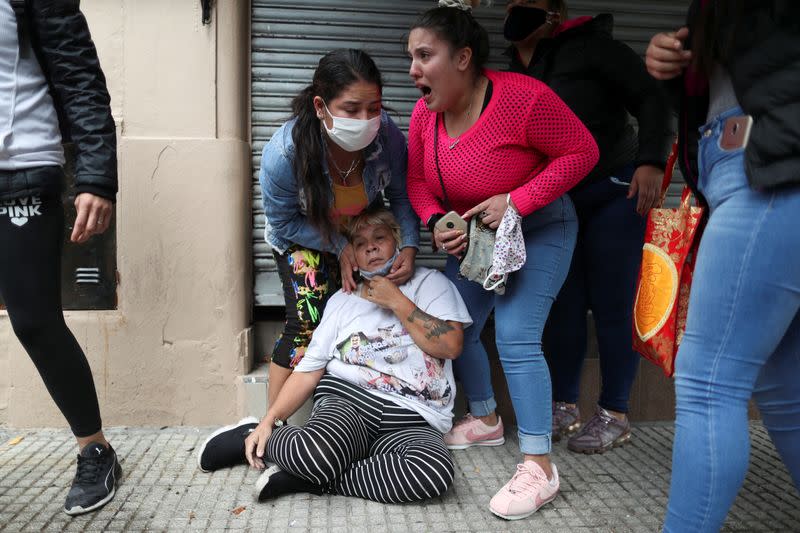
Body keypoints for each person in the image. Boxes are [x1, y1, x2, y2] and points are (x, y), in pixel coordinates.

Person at [406, 1, 598, 520]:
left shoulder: (525, 99)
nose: (413, 70)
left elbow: (582, 152)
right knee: (455, 324)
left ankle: (539, 465)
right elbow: (419, 182)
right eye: (412, 57)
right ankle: (487, 419)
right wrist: (438, 222)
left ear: (463, 57)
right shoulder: (426, 113)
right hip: (477, 240)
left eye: (425, 55)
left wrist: (517, 200)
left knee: (515, 336)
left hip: (541, 229)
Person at [645, 1, 800, 530]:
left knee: (710, 383)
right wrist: (682, 65)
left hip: (768, 169)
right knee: (783, 389)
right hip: (756, 164)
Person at [197, 209, 471, 504]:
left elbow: (451, 345)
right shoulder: (342, 301)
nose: (371, 247)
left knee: (432, 474)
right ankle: (252, 436)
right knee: (317, 451)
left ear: (398, 242)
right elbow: (308, 371)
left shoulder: (431, 284)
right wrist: (269, 420)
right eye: (360, 243)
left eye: (380, 237)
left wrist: (397, 302)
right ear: (352, 254)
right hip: (350, 402)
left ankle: (315, 478)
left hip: (414, 417)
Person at [503, 0, 675, 452]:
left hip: (614, 189)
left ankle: (615, 413)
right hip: (556, 199)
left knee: (612, 304)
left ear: (555, 13)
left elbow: (650, 97)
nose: (516, 9)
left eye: (530, 3)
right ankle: (564, 407)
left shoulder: (596, 49)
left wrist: (652, 161)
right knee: (564, 304)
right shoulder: (512, 65)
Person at [0, 0, 120, 515]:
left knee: (35, 321)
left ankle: (95, 448)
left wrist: (95, 175)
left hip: (20, 166)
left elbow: (78, 74)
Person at [258, 49, 420, 406]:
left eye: (374, 108)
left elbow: (401, 196)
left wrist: (409, 245)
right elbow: (284, 221)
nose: (365, 119)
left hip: (360, 227)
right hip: (301, 233)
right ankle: (272, 423)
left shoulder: (387, 137)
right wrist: (338, 247)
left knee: (367, 313)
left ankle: (351, 411)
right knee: (308, 320)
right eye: (351, 109)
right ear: (320, 107)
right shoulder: (284, 154)